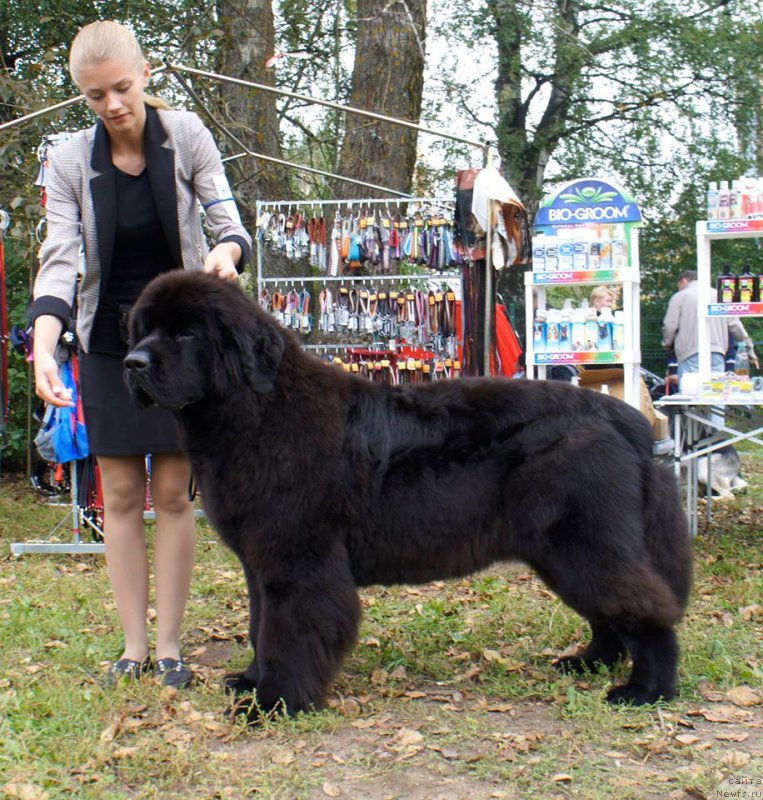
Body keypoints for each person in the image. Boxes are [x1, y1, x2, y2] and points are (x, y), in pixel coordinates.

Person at [29, 20, 252, 687]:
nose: (113, 106)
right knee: (119, 492)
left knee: (173, 495)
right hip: (104, 344)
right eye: (96, 96)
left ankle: (171, 649)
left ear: (145, 73)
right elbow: (61, 258)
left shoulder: (185, 136)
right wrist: (45, 345)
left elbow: (227, 217)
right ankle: (131, 649)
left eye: (121, 88)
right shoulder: (70, 160)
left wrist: (227, 252)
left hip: (179, 344)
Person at [662, 270, 759, 384]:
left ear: (683, 281)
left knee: (692, 393)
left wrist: (667, 345)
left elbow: (669, 325)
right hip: (717, 352)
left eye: (678, 286)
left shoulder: (679, 297)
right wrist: (749, 348)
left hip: (689, 352)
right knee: (715, 393)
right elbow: (736, 326)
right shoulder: (719, 295)